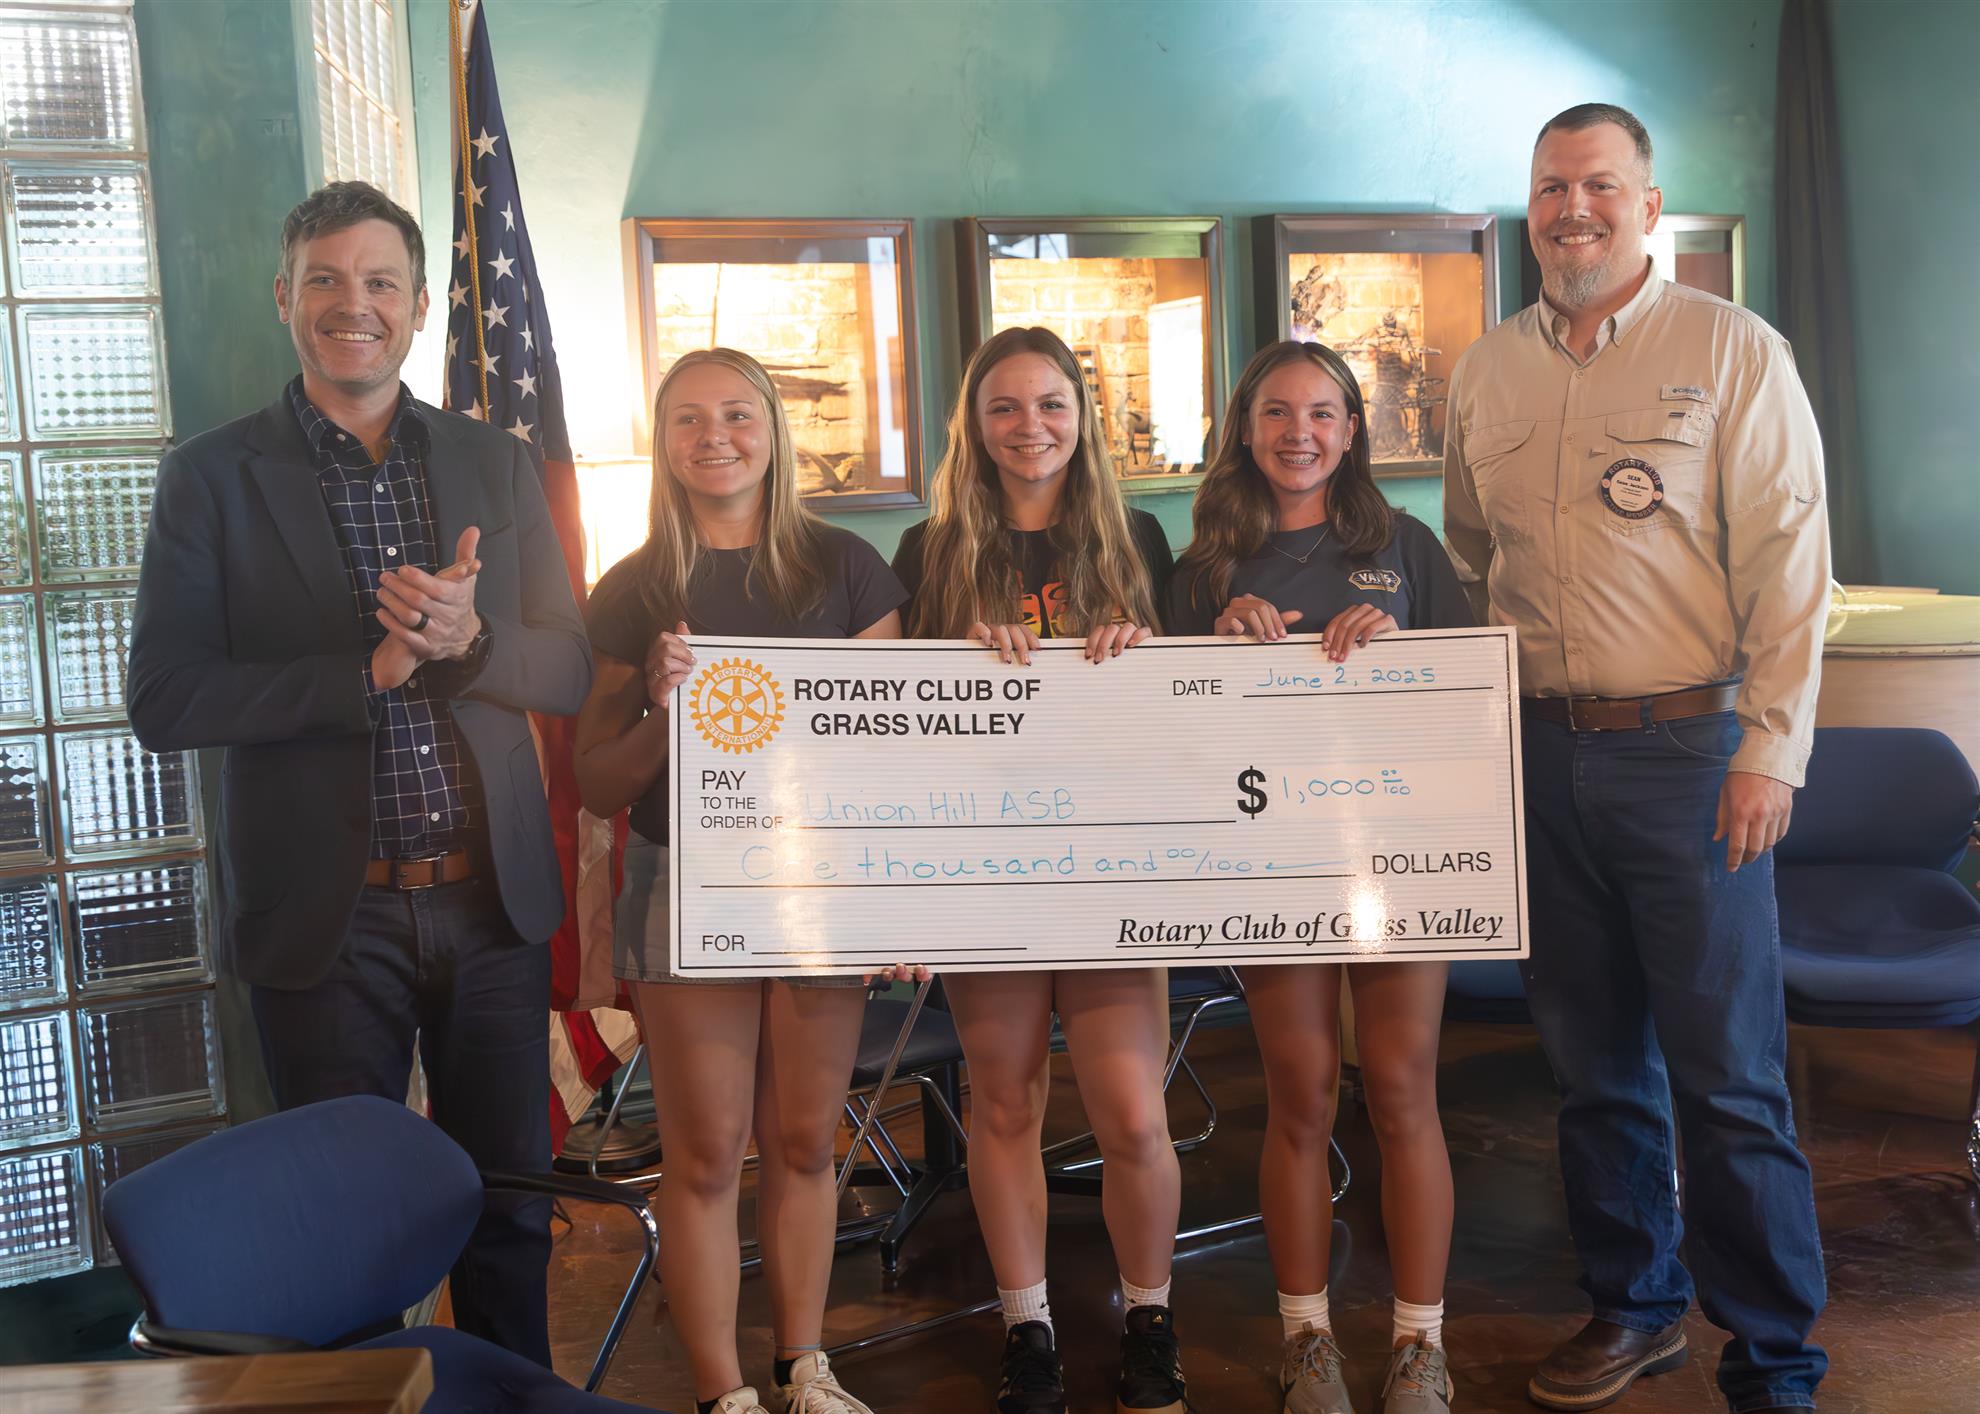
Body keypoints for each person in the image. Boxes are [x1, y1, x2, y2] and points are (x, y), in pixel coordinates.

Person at [126, 180, 589, 1364]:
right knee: (346, 1242)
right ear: (283, 298)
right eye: (325, 280)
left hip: (492, 906)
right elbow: (166, 700)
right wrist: (367, 672)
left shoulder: (497, 461)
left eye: (381, 281)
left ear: (420, 305)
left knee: (510, 1219)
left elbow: (571, 665)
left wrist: (469, 642)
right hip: (327, 923)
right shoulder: (209, 477)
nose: (354, 303)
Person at [1444, 104, 1830, 1414]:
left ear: (1649, 206)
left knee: (1731, 1079)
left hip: (1692, 758)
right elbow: (1469, 564)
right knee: (1594, 1069)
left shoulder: (1733, 350)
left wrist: (1770, 750)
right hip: (1540, 760)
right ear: (1531, 207)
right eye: (1553, 188)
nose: (1574, 210)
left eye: (1600, 185)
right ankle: (1635, 1306)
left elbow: (1791, 564)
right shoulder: (1487, 372)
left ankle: (1773, 1359)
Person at [574, 347, 915, 1414]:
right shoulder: (632, 587)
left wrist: (897, 900)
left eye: (735, 414)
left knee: (806, 1140)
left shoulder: (849, 568)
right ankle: (724, 1394)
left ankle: (805, 1366)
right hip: (688, 882)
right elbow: (596, 780)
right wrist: (662, 710)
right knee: (708, 1152)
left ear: (773, 427)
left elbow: (889, 757)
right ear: (664, 442)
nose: (713, 436)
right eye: (687, 418)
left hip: (821, 884)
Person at [1170, 340, 1472, 1414]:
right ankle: (1307, 1339)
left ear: (1350, 431)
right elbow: (1167, 734)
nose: (1299, 432)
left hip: (1395, 856)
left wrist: (1404, 651)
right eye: (1277, 412)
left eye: (1322, 413)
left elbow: (1468, 703)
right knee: (1299, 1096)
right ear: (1245, 428)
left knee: (1399, 1088)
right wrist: (1212, 647)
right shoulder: (1202, 567)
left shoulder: (1407, 546)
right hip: (1274, 862)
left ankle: (1420, 1345)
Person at [891, 325, 1183, 1414]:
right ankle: (1029, 1328)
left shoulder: (1138, 538)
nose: (1031, 426)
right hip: (990, 864)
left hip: (1111, 864)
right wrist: (953, 662)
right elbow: (890, 720)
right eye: (1005, 406)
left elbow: (1191, 708)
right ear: (973, 424)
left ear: (1083, 416)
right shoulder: (927, 552)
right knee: (1005, 1102)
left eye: (1052, 403)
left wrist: (1145, 657)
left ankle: (1150, 1319)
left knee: (1133, 1115)